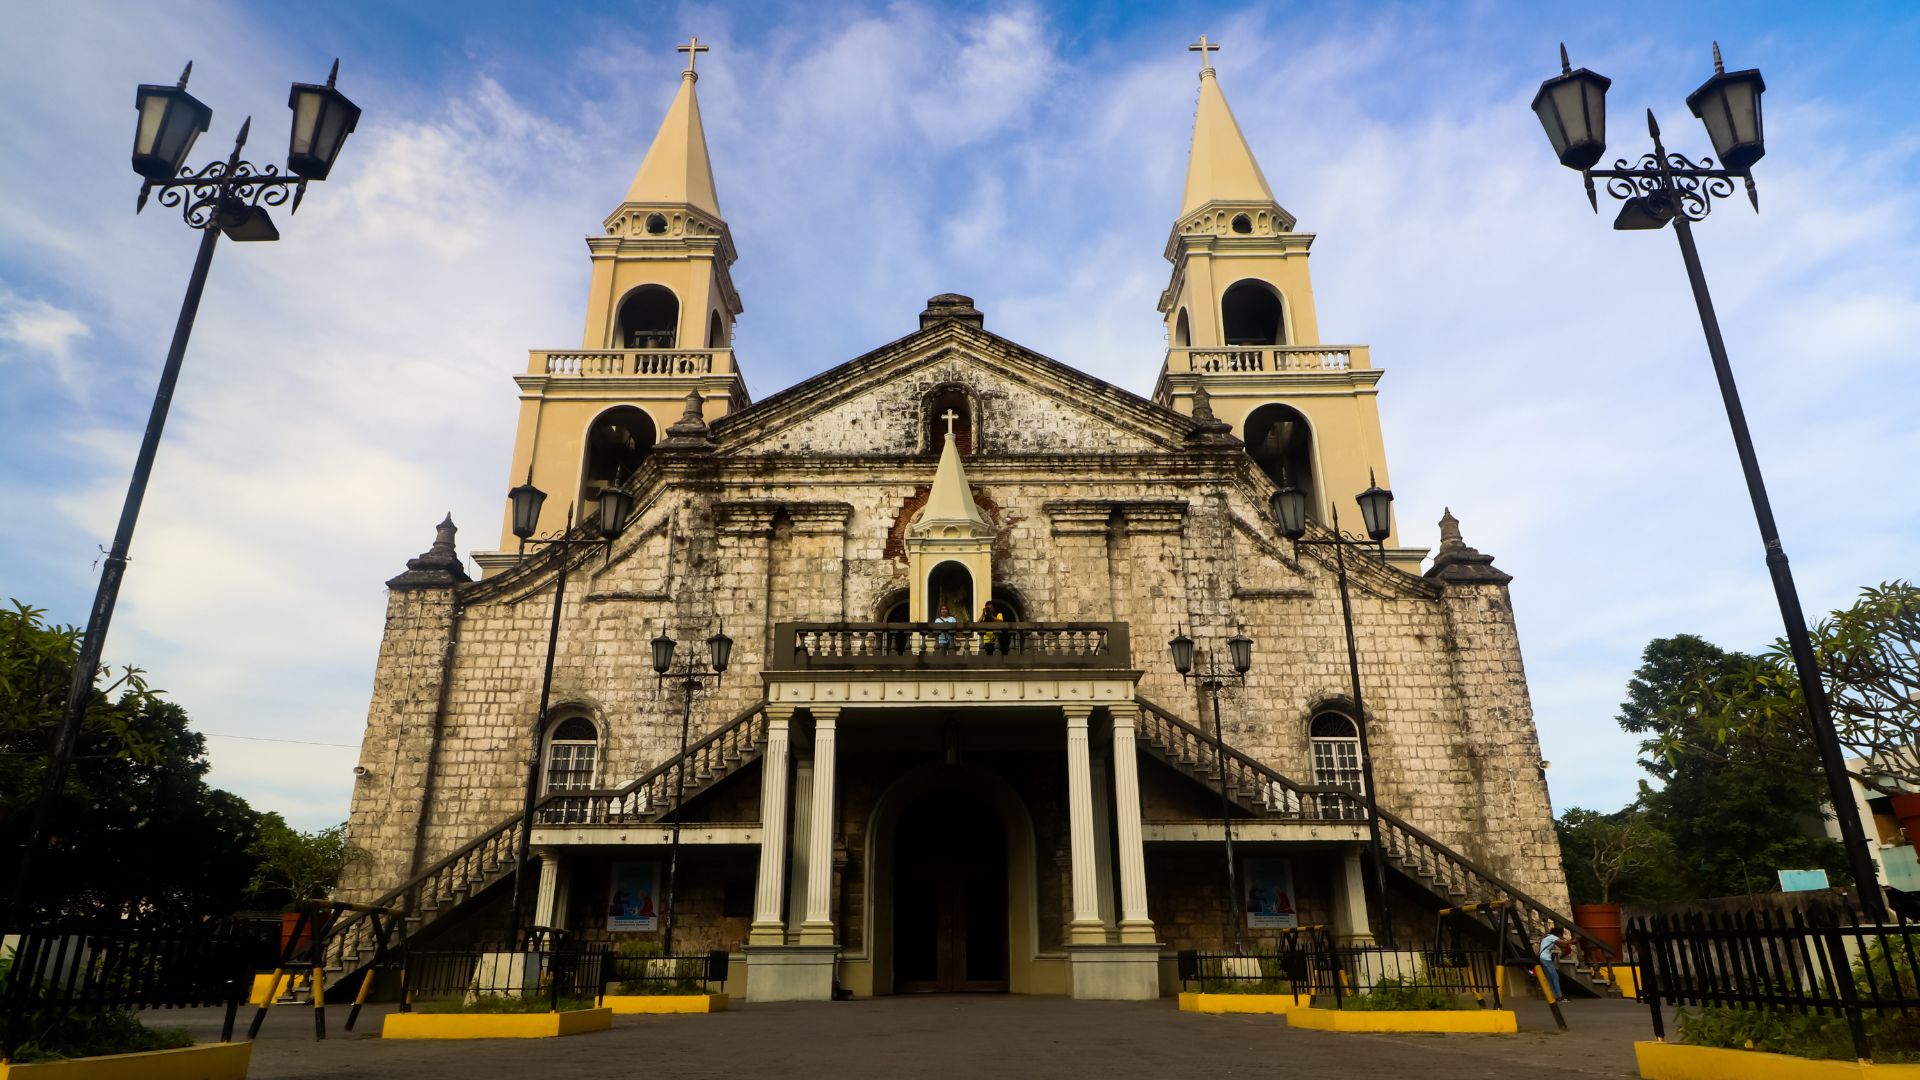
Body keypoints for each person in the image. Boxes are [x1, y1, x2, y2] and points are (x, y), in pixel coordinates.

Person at [1538, 926, 1571, 1001]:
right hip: (1546, 959)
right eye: (1561, 935)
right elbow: (1563, 942)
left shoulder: (1547, 937)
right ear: (1558, 934)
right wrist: (1572, 941)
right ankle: (1560, 996)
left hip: (1542, 959)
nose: (1561, 937)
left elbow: (1560, 945)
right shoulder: (1552, 937)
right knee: (1555, 977)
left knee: (1550, 978)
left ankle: (1554, 996)